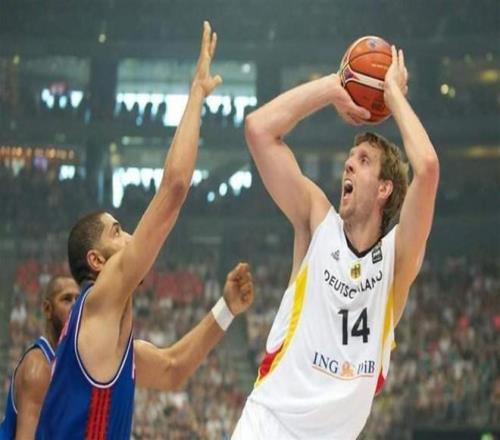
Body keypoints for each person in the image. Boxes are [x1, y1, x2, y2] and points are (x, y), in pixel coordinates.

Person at [36, 22, 254, 439]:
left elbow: (173, 369)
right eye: (117, 232)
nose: (132, 237)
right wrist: (196, 94)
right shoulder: (97, 302)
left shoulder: (110, 339)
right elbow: (174, 189)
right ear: (97, 261)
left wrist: (226, 308)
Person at [233, 46, 439, 439]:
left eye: (363, 160)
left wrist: (392, 95)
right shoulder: (317, 222)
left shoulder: (396, 260)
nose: (348, 163)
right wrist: (331, 87)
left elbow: (427, 169)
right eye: (350, 157)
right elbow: (259, 130)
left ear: (384, 188)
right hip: (269, 425)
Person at [0, 276, 79, 439]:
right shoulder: (37, 367)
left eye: (77, 300)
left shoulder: (69, 363)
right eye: (66, 299)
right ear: (47, 309)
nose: (74, 306)